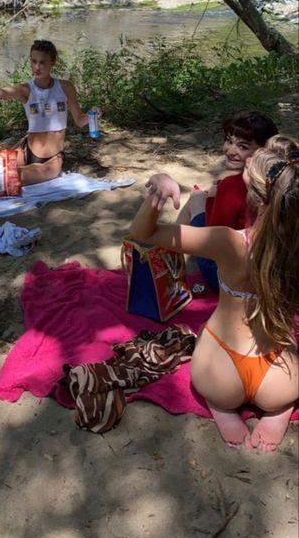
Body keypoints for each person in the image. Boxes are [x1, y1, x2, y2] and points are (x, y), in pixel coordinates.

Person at [128, 135, 298, 451]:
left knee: (210, 345)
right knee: (284, 382)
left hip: (221, 376)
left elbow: (141, 234)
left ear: (257, 198)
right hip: (281, 379)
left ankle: (223, 410)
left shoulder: (229, 242)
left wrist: (157, 189)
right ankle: (277, 411)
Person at [146, 110, 278, 291]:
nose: (231, 150)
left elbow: (212, 239)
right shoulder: (280, 179)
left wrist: (211, 199)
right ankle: (166, 255)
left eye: (243, 146)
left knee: (197, 197)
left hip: (228, 279)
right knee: (202, 195)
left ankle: (165, 259)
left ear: (262, 152)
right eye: (229, 141)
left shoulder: (232, 186)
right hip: (267, 271)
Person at [0, 39, 99, 187]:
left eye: (42, 62)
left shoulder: (65, 87)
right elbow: (1, 93)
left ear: (53, 62)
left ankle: (11, 168)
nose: (37, 67)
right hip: (27, 151)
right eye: (34, 61)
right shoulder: (26, 89)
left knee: (9, 178)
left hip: (52, 159)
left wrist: (93, 116)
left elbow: (79, 120)